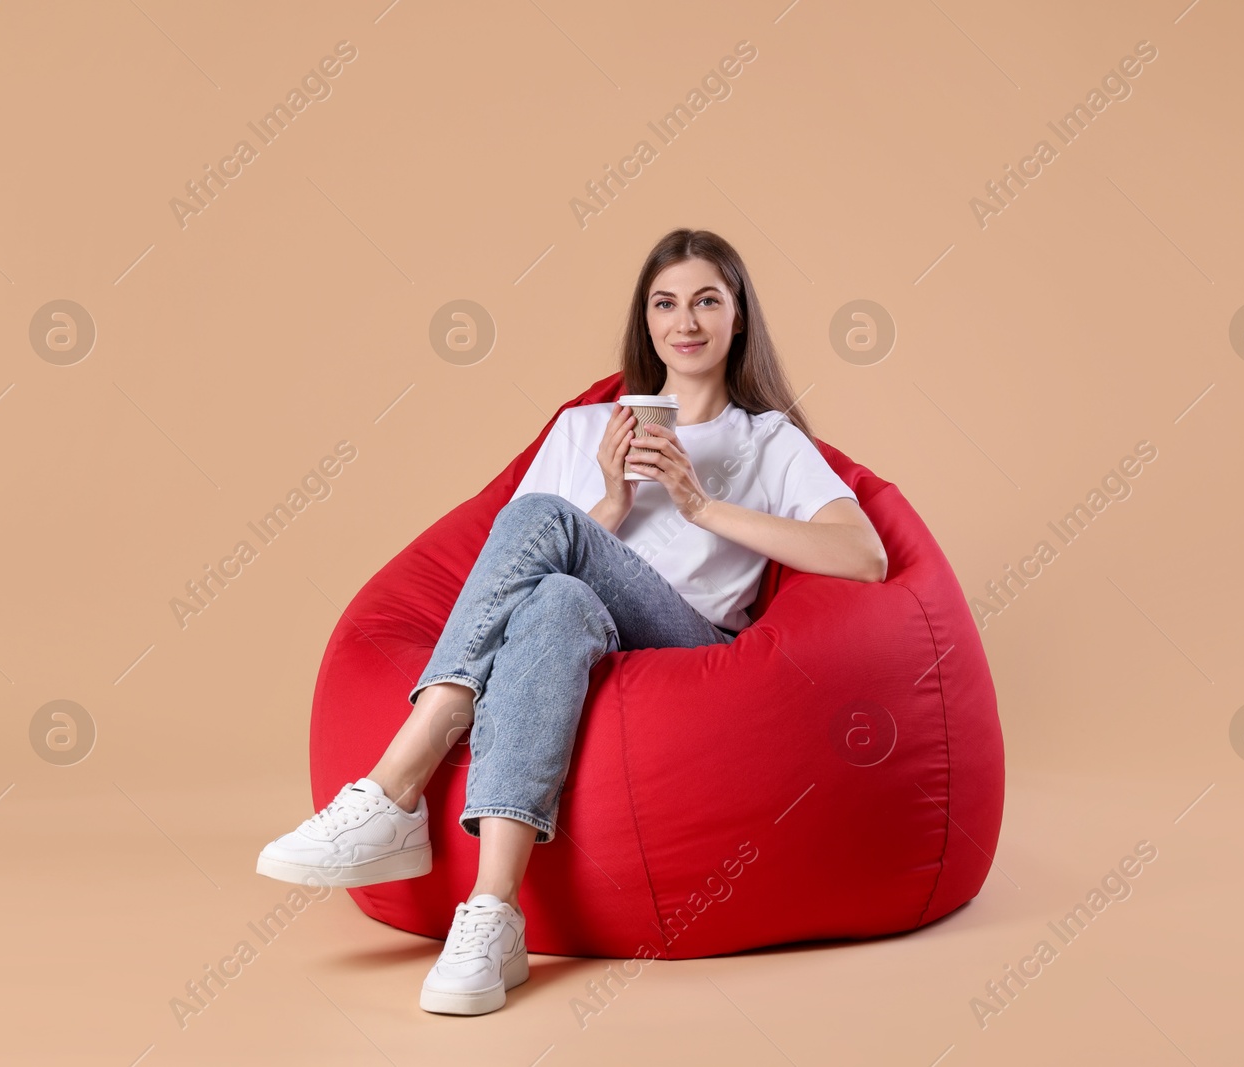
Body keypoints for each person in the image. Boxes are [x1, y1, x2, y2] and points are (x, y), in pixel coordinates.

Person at [255, 228, 889, 1015]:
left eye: (705, 301)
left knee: (546, 522)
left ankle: (395, 785)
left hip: (689, 638)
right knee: (556, 596)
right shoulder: (586, 428)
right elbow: (527, 563)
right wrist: (614, 503)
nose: (684, 321)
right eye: (665, 303)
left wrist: (702, 505)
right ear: (645, 318)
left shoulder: (767, 439)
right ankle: (494, 912)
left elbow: (864, 557)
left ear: (737, 319)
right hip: (584, 618)